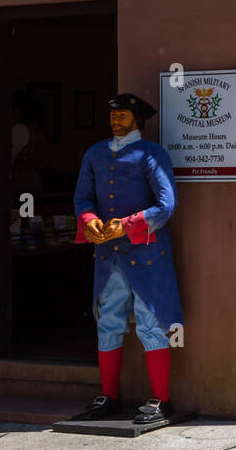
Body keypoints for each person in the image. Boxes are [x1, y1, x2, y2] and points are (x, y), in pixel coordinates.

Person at [70, 93, 183, 426]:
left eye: (122, 115)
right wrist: (89, 219)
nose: (116, 120)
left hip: (148, 254)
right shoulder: (94, 154)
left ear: (137, 119)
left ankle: (161, 399)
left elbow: (166, 205)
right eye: (113, 115)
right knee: (108, 322)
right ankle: (109, 396)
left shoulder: (152, 154)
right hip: (109, 255)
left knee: (152, 324)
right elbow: (83, 198)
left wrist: (128, 225)